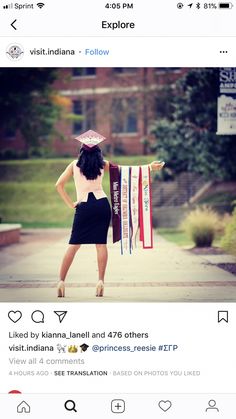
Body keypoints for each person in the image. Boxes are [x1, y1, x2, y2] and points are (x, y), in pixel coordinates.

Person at [55, 130, 164, 298]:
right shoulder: (102, 164)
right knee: (100, 244)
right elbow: (125, 171)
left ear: (81, 150)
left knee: (74, 244)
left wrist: (71, 204)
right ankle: (100, 282)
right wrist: (149, 167)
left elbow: (58, 185)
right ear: (98, 150)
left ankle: (61, 281)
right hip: (101, 205)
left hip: (83, 206)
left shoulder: (73, 165)